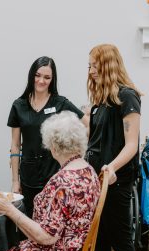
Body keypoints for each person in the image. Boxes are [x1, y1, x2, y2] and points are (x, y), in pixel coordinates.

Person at [0, 111, 100, 251]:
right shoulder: (89, 171)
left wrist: (9, 210)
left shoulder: (62, 182)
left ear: (54, 147)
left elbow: (47, 237)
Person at [85, 44, 142, 251]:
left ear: (107, 64)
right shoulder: (100, 101)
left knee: (121, 242)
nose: (90, 71)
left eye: (94, 65)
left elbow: (131, 145)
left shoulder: (127, 96)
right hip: (99, 181)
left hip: (117, 183)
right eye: (89, 66)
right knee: (99, 241)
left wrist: (112, 168)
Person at [7, 56, 88, 218]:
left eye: (47, 77)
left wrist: (78, 155)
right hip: (28, 176)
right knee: (30, 220)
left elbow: (87, 124)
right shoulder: (19, 105)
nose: (41, 81)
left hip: (54, 174)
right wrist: (15, 181)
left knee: (53, 222)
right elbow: (15, 146)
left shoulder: (60, 103)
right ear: (31, 76)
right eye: (37, 75)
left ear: (52, 79)